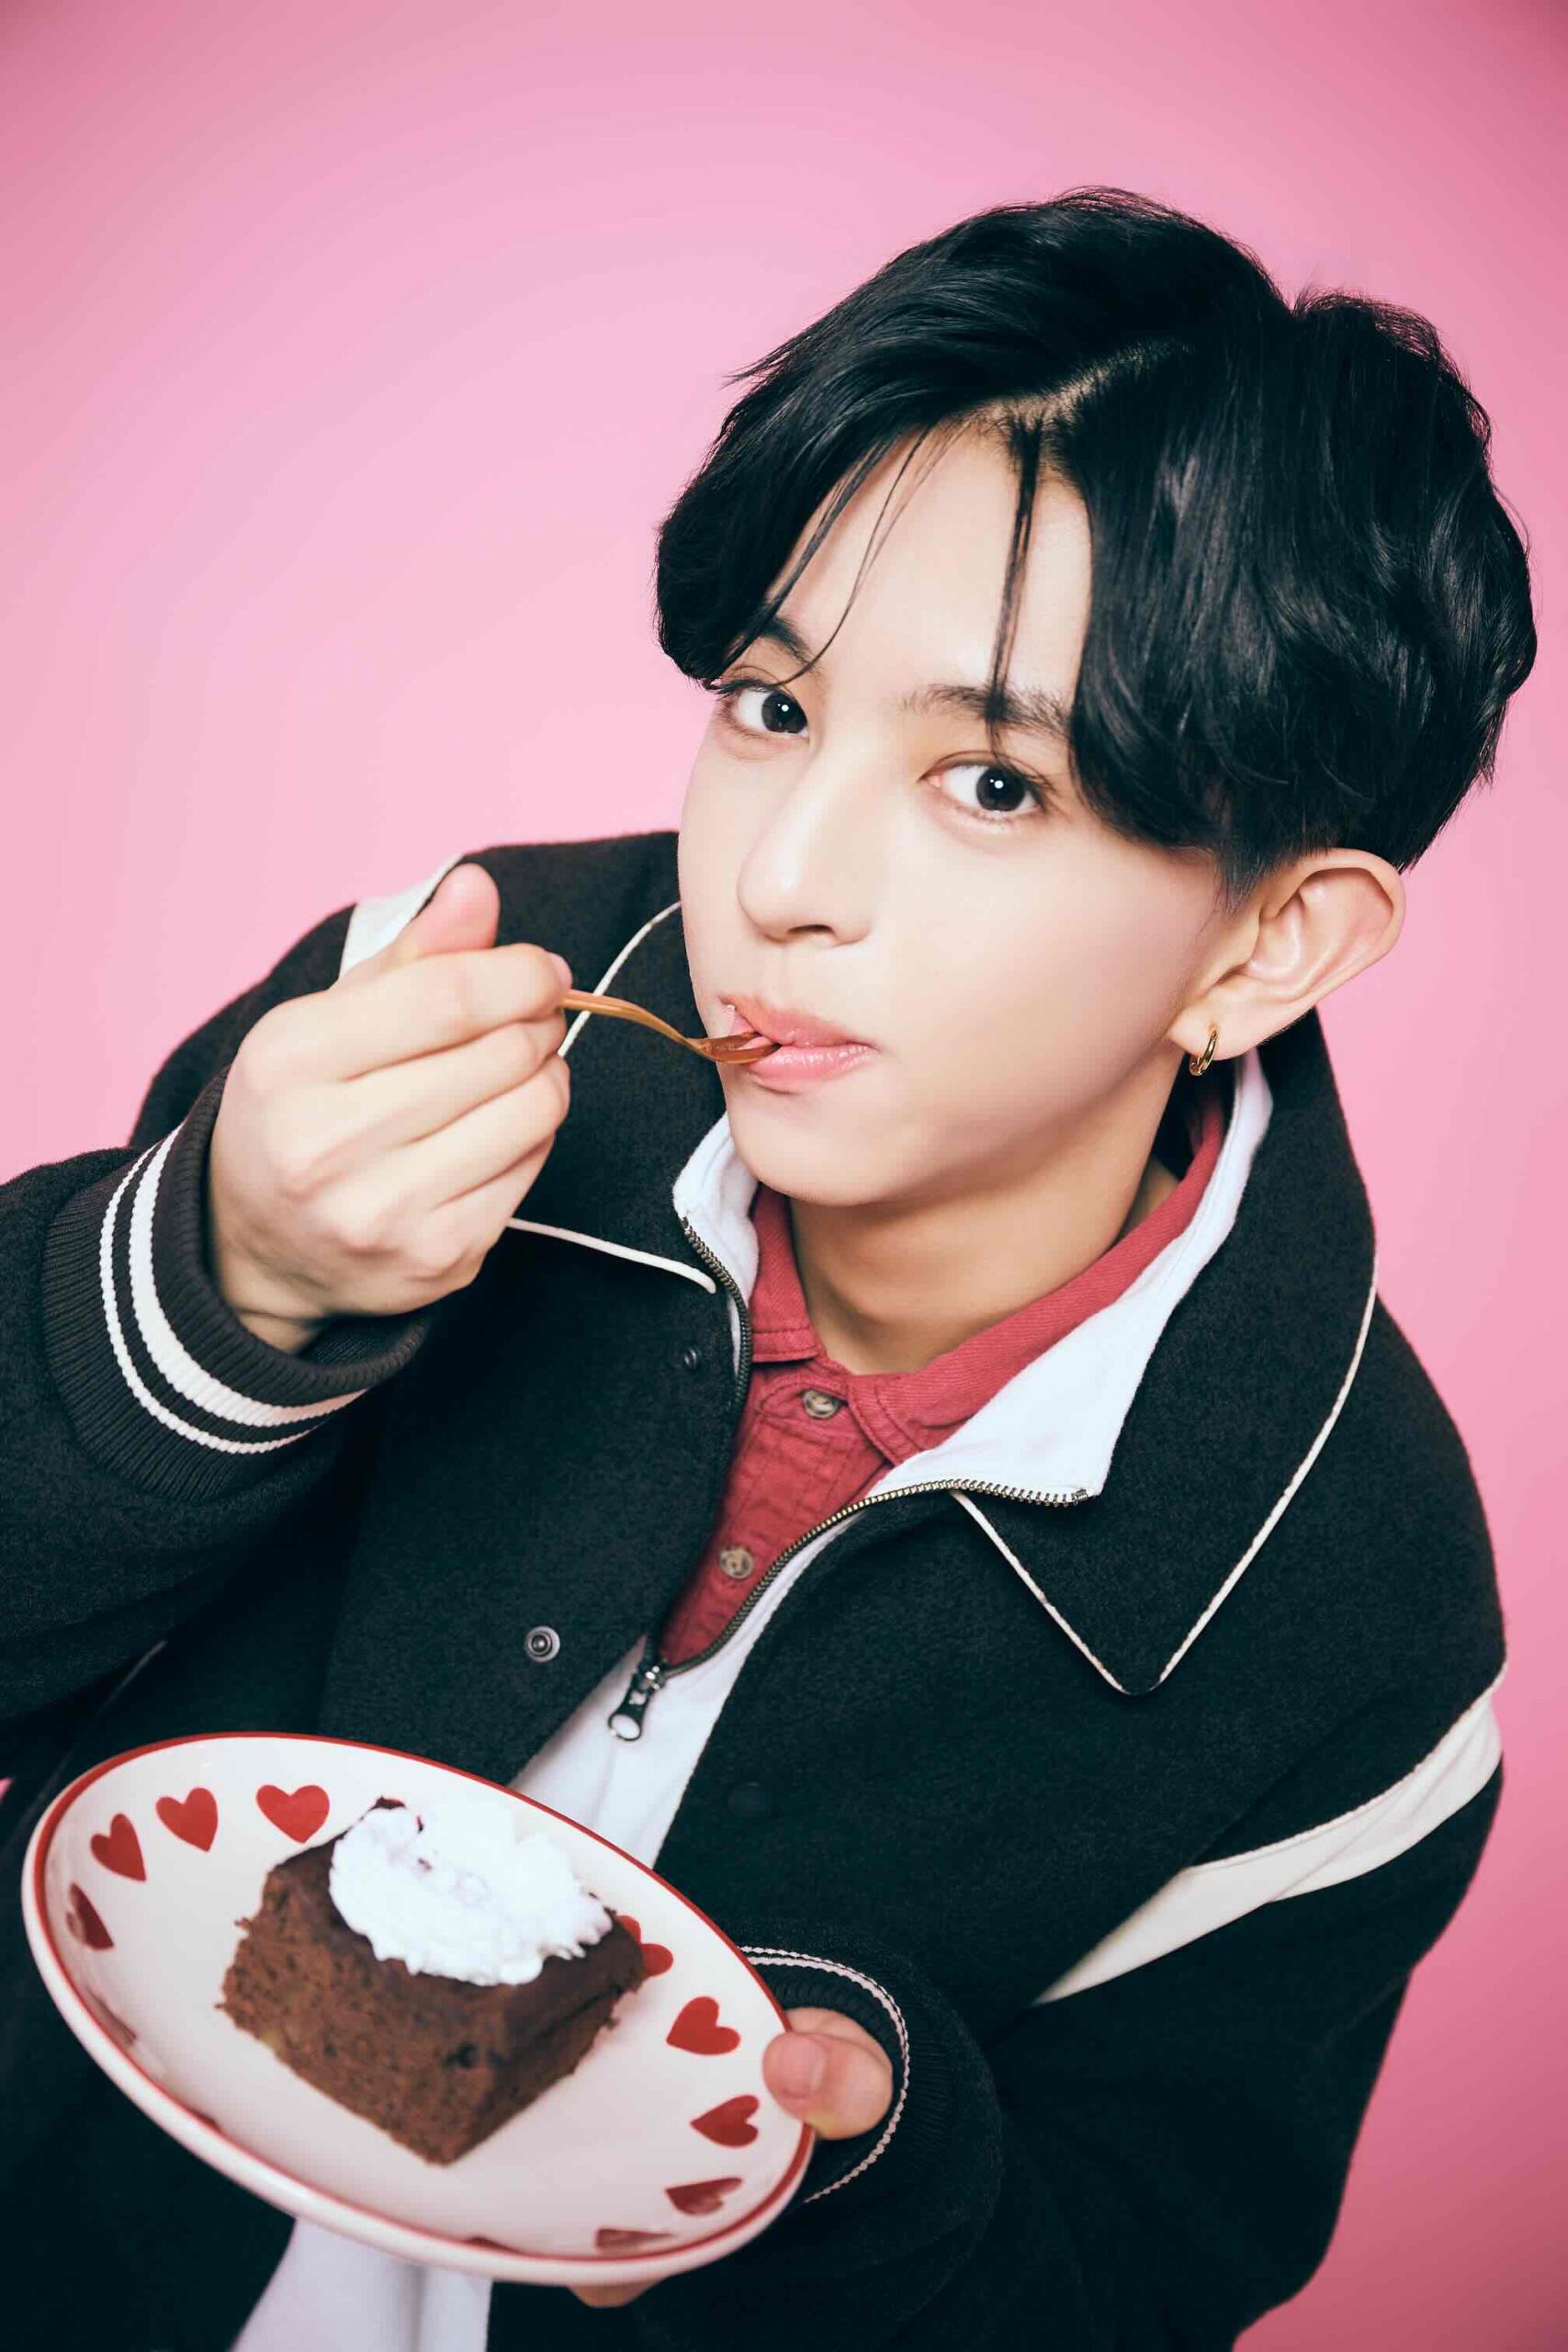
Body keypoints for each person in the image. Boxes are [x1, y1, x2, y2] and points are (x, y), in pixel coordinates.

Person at [0, 187, 1535, 2350]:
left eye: (987, 780)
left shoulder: (1352, 1602)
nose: (782, 877)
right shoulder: (412, 1006)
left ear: (1267, 941)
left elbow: (1124, 2271)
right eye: (766, 704)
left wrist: (882, 2151)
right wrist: (218, 1287)